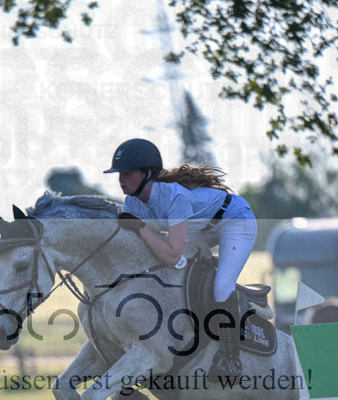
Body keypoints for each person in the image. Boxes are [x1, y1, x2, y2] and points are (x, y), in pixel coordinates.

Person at [103, 138, 258, 376]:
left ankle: (230, 357)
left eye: (128, 172)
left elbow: (173, 255)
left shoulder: (175, 197)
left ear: (148, 173)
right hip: (199, 228)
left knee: (221, 286)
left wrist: (141, 228)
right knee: (176, 276)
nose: (121, 179)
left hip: (235, 220)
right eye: (119, 173)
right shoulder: (132, 202)